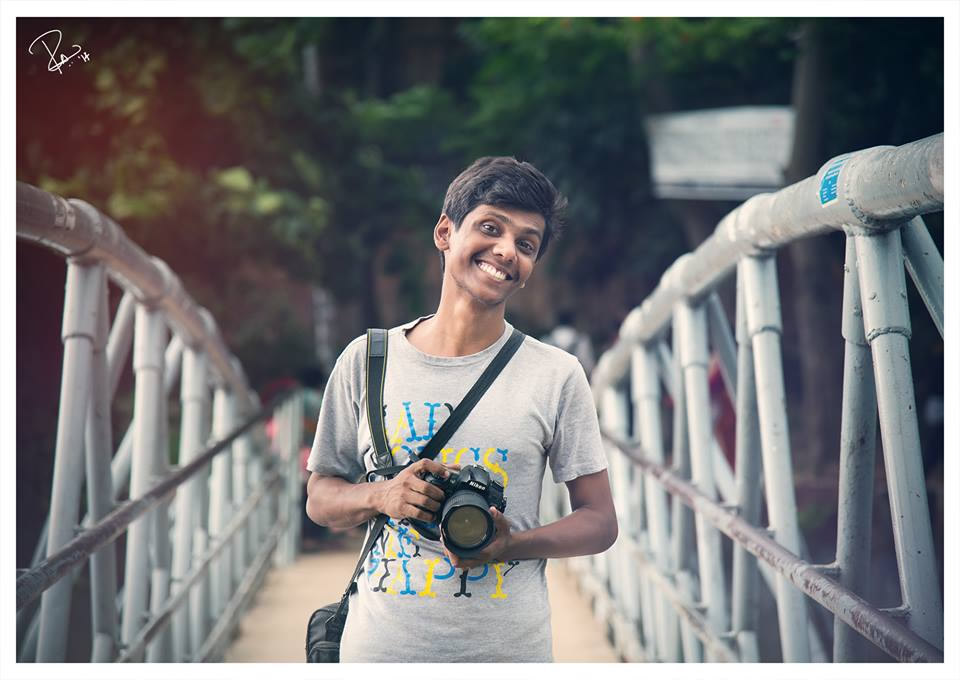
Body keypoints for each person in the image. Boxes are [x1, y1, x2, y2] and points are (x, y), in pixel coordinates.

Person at [304, 156, 617, 662]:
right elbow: (320, 499)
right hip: (380, 651)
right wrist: (385, 494)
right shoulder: (367, 359)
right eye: (490, 228)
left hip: (507, 653)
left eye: (526, 244)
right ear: (445, 232)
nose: (506, 251)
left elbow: (600, 521)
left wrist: (511, 543)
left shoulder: (555, 374)